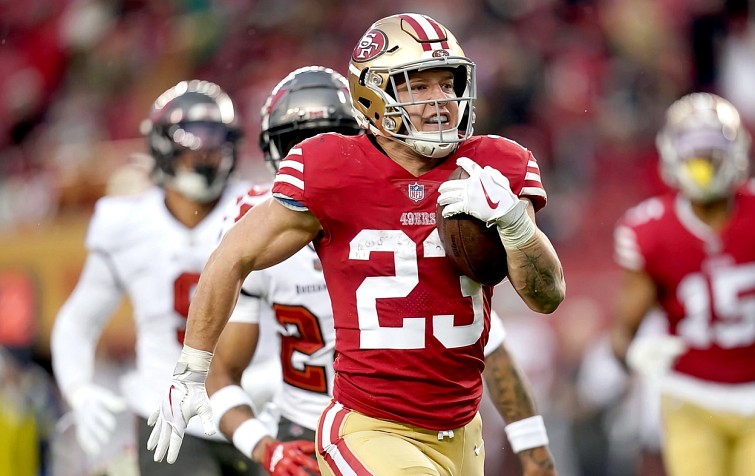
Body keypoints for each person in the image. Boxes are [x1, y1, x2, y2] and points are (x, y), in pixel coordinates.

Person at [147, 13, 565, 476]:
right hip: (369, 429)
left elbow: (546, 296)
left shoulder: (495, 164)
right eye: (417, 87)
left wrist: (513, 224)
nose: (440, 101)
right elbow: (232, 256)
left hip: (463, 432)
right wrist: (191, 369)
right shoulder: (332, 169)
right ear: (371, 95)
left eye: (447, 83)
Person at [609, 92, 755, 476]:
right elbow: (621, 333)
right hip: (691, 399)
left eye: (713, 151)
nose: (703, 162)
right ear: (672, 154)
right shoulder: (651, 232)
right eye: (695, 151)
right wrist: (632, 356)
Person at [51, 79, 270, 475]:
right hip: (170, 417)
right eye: (193, 140)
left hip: (259, 405)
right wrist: (78, 390)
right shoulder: (125, 222)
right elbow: (78, 320)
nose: (205, 153)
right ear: (163, 147)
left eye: (215, 140)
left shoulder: (263, 209)